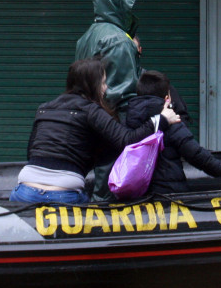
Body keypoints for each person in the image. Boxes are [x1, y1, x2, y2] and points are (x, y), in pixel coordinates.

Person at [10, 58, 181, 204]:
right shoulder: (91, 110)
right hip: (64, 194)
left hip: (24, 191)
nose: (105, 88)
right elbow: (127, 140)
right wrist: (161, 119)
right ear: (93, 84)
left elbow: (32, 153)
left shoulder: (44, 108)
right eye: (104, 82)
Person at [124, 70, 221, 194]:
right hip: (168, 194)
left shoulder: (128, 120)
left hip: (135, 194)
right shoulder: (172, 122)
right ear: (167, 99)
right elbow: (195, 153)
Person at [74, 0, 142, 112]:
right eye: (129, 6)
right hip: (110, 121)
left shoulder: (87, 37)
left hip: (88, 116)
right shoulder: (118, 40)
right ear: (120, 5)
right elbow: (122, 95)